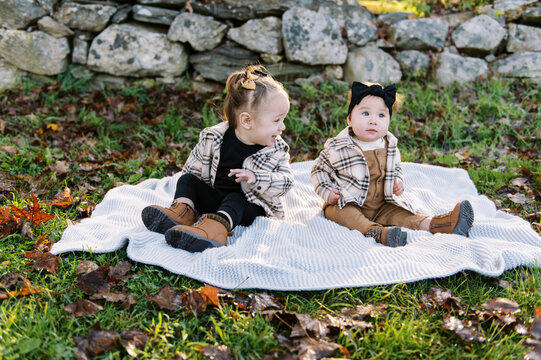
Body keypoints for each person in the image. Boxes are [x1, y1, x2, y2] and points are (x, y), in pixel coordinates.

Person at [142, 65, 294, 252]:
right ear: (246, 121)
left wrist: (256, 177)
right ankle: (182, 213)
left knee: (235, 198)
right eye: (277, 120)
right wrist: (192, 193)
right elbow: (192, 168)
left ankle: (215, 231)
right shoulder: (213, 137)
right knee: (186, 179)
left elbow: (287, 182)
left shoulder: (277, 149)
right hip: (215, 199)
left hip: (249, 207)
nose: (282, 127)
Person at [311, 81, 474, 247]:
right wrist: (327, 192)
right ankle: (377, 233)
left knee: (404, 214)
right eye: (365, 113)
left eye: (381, 115)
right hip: (348, 203)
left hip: (382, 203)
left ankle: (440, 224)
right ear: (349, 119)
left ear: (389, 120)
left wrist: (397, 180)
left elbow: (396, 167)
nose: (373, 120)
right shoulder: (337, 146)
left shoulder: (390, 145)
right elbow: (318, 170)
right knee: (345, 214)